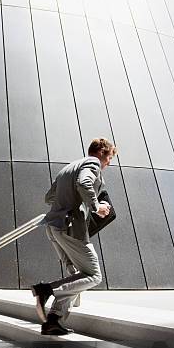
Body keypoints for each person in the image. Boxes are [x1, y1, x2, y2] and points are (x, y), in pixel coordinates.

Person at [31, 138, 117, 335]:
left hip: (54, 226)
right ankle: (46, 290)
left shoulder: (68, 168)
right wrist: (97, 207)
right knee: (94, 275)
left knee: (77, 275)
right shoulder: (92, 163)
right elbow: (84, 182)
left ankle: (53, 320)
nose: (109, 163)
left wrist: (67, 201)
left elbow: (48, 197)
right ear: (102, 152)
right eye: (109, 158)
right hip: (69, 227)